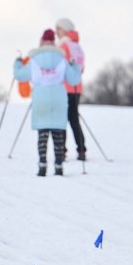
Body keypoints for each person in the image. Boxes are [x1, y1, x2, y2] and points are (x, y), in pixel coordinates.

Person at [13, 29, 81, 176]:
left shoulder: (34, 59)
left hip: (41, 97)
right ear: (54, 41)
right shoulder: (62, 59)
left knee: (42, 133)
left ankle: (42, 163)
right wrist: (75, 66)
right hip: (58, 98)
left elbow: (20, 75)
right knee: (58, 133)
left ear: (42, 41)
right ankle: (58, 164)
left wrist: (17, 63)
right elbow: (74, 79)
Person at [55, 18, 87, 161]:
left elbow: (59, 65)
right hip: (76, 87)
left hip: (64, 86)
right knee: (74, 119)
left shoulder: (63, 45)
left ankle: (61, 150)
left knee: (62, 118)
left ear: (66, 30)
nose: (56, 31)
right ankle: (81, 149)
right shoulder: (77, 46)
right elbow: (82, 68)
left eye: (59, 28)